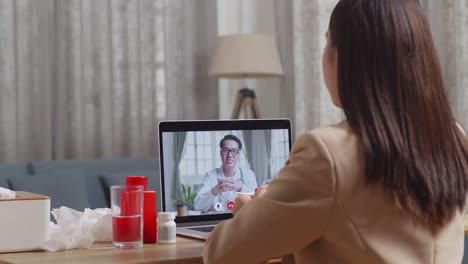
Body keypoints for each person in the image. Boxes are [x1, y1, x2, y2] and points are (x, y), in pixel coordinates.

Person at [204, 0, 468, 263]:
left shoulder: (327, 153)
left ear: (345, 57)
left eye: (328, 42)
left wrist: (250, 210)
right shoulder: (453, 137)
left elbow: (222, 255)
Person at [194, 134, 257, 212]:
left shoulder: (248, 174)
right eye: (226, 150)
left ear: (239, 155)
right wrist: (214, 191)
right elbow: (198, 206)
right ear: (221, 153)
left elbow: (257, 202)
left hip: (243, 220)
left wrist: (240, 187)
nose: (230, 155)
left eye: (234, 151)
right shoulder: (210, 176)